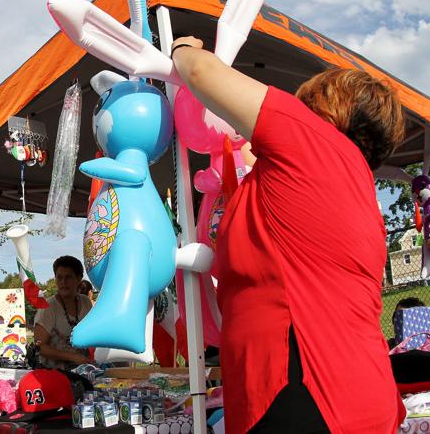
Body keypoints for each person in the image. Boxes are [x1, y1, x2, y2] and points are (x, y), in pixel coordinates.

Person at [169, 37, 405, 433]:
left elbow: (201, 73)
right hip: (355, 393)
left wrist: (183, 48)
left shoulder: (309, 137)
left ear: (329, 107)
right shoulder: (349, 183)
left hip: (306, 395)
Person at [33, 256, 94, 369]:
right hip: (53, 375)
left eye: (68, 277)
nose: (63, 282)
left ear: (79, 278)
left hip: (82, 373)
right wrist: (72, 357)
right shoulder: (48, 307)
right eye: (59, 277)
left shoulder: (86, 302)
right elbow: (39, 346)